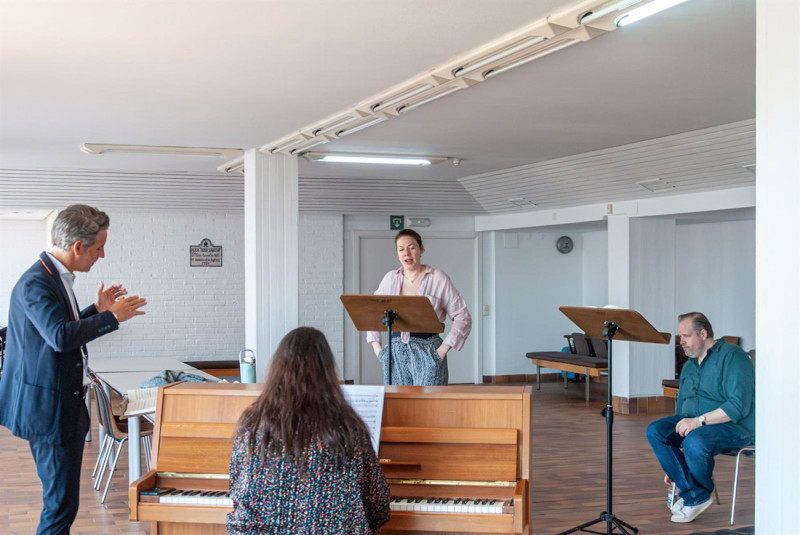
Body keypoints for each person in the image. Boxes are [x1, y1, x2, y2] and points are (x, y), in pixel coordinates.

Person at [0, 204, 147, 535]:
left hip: (58, 405)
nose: (102, 255)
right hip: (47, 411)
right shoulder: (35, 282)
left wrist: (97, 309)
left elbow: (56, 326)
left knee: (63, 503)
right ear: (78, 247)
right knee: (60, 506)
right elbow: (58, 336)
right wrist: (112, 317)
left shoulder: (53, 275)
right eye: (99, 247)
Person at [227, 327, 390, 535]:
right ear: (328, 372)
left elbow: (238, 493)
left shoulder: (253, 425)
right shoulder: (349, 428)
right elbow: (378, 508)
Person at [646, 312, 754, 524]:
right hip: (698, 426)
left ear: (703, 334)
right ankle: (695, 493)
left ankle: (695, 496)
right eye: (680, 337)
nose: (681, 342)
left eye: (685, 336)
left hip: (735, 428)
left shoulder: (733, 356)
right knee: (656, 430)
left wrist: (699, 421)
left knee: (696, 439)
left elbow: (737, 406)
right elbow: (682, 414)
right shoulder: (690, 365)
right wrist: (676, 465)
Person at [367, 229, 471, 386]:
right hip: (394, 354)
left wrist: (441, 351)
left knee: (430, 406)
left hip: (428, 351)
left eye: (411, 247)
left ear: (421, 249)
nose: (406, 253)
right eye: (401, 249)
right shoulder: (389, 279)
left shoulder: (438, 278)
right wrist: (379, 350)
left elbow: (463, 317)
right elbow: (371, 312)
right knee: (399, 406)